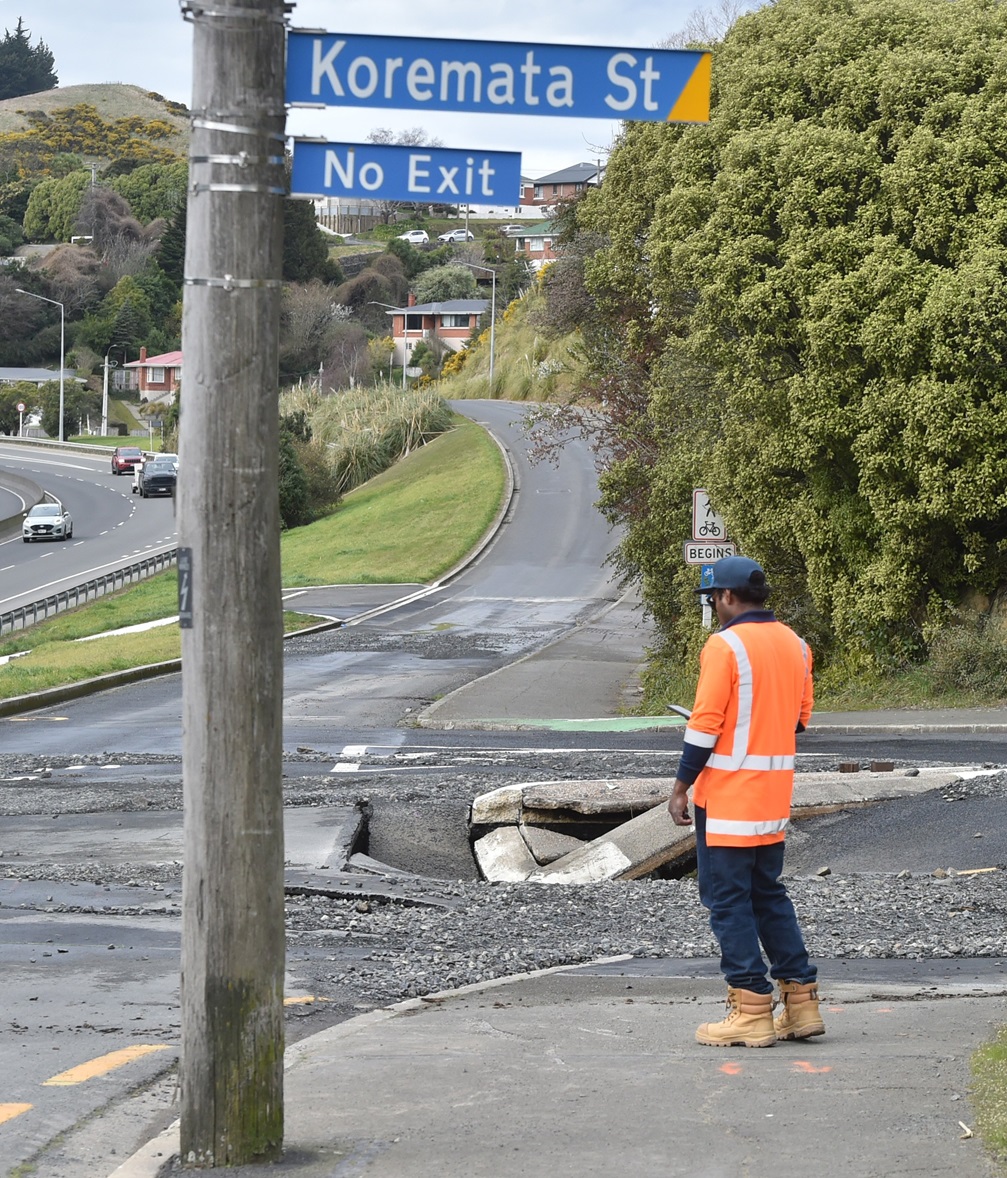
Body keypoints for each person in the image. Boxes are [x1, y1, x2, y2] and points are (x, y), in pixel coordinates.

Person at [668, 556, 824, 1048]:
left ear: (728, 596)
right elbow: (798, 720)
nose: (714, 607)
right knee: (768, 895)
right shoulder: (798, 646)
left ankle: (751, 1008)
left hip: (728, 797)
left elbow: (705, 724)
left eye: (713, 598)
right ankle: (801, 1004)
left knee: (727, 901)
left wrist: (680, 787)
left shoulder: (724, 645)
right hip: (773, 797)